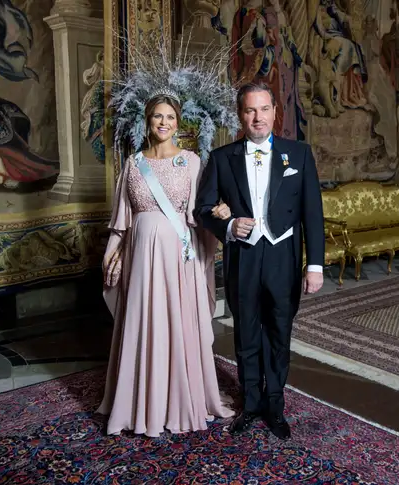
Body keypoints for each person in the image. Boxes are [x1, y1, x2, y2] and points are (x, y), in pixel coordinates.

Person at [98, 92, 235, 437]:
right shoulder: (133, 164)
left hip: (178, 259)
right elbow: (121, 220)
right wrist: (113, 253)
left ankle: (178, 401)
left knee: (176, 322)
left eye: (170, 117)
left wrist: (222, 211)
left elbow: (202, 210)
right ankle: (138, 405)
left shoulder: (191, 162)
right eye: (158, 116)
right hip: (140, 258)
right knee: (143, 321)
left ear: (178, 122)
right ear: (148, 121)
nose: (164, 122)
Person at [195, 82, 325, 440]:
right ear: (241, 115)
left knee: (280, 333)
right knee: (247, 333)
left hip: (284, 256)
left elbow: (312, 213)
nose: (258, 117)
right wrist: (229, 225)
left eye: (265, 109)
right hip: (244, 257)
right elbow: (202, 209)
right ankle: (251, 404)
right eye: (250, 110)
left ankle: (275, 406)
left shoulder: (298, 154)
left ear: (274, 111)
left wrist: (315, 265)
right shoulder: (222, 158)